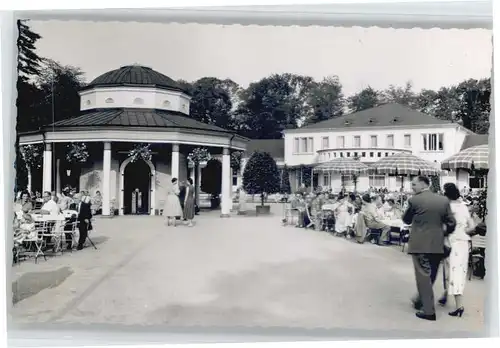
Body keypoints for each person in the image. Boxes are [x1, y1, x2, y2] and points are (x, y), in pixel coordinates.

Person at [403, 176, 456, 321]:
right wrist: (442, 232)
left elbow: (406, 219)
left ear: (422, 184)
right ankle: (420, 300)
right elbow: (451, 223)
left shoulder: (414, 200)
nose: (412, 187)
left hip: (420, 244)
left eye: (414, 185)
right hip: (437, 244)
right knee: (430, 275)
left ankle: (428, 311)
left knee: (423, 277)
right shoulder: (443, 200)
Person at [439, 183, 476, 317]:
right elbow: (472, 226)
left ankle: (459, 306)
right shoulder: (463, 207)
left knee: (453, 272)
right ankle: (445, 295)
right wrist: (462, 231)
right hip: (464, 242)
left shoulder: (446, 208)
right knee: (459, 271)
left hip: (451, 242)